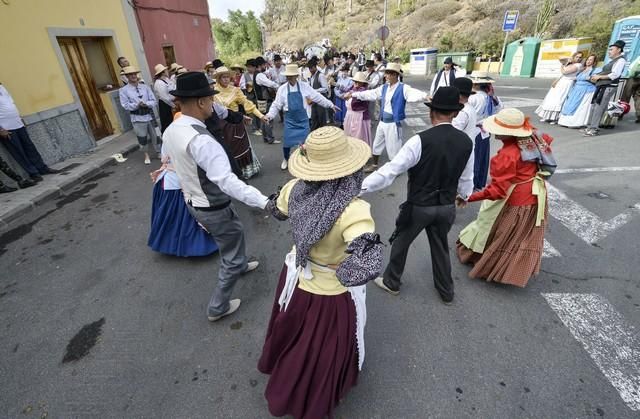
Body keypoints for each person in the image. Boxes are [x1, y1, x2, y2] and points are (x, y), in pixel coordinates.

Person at [258, 126, 383, 419]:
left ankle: (286, 383)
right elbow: (368, 258)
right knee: (320, 351)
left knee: (295, 336)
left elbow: (276, 210)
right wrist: (347, 270)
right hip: (329, 292)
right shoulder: (354, 210)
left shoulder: (294, 189)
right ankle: (309, 398)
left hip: (298, 277)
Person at [162, 71, 268, 321]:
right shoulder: (202, 141)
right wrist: (265, 202)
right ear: (200, 102)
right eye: (210, 99)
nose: (213, 103)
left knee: (233, 231)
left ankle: (240, 264)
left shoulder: (172, 129)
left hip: (194, 200)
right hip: (211, 204)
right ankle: (217, 306)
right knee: (229, 248)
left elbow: (172, 161)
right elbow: (227, 181)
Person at [361, 87, 474, 304]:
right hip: (446, 206)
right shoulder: (466, 142)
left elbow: (390, 171)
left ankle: (392, 281)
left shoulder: (420, 140)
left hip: (420, 205)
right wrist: (464, 195)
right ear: (456, 113)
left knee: (401, 241)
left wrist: (360, 188)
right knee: (440, 247)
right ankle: (446, 291)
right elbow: (467, 177)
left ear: (431, 112)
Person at [457, 108, 550, 287]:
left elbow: (497, 191)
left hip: (516, 198)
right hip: (535, 193)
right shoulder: (532, 138)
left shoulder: (507, 155)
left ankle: (490, 267)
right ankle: (511, 269)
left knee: (499, 230)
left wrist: (469, 197)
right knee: (519, 236)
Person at [344, 63, 429, 172]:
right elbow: (371, 93)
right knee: (376, 144)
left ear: (394, 75)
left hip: (393, 123)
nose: (385, 76)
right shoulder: (384, 88)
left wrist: (425, 96)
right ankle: (374, 165)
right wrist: (354, 94)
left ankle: (397, 169)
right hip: (383, 121)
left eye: (388, 74)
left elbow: (414, 93)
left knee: (394, 148)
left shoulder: (403, 88)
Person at [265, 64, 337, 170]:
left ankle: (304, 160)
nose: (289, 77)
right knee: (287, 143)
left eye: (291, 75)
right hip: (290, 120)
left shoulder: (304, 86)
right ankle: (286, 158)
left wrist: (330, 105)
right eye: (287, 76)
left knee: (304, 143)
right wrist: (269, 115)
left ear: (296, 76)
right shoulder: (282, 89)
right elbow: (276, 105)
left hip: (303, 120)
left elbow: (317, 97)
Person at [147, 155, 219, 257]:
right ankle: (192, 246)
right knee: (188, 212)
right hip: (178, 180)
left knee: (173, 216)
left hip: (176, 178)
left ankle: (172, 244)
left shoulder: (169, 140)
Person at [213, 67, 269, 179]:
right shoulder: (213, 91)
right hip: (221, 126)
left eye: (228, 77)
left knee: (240, 147)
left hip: (235, 124)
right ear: (218, 78)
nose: (226, 79)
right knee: (225, 149)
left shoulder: (235, 90)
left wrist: (261, 115)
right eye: (223, 77)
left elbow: (247, 103)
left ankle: (244, 171)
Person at [0, 83, 59, 181]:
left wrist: (19, 117)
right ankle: (33, 173)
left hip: (17, 123)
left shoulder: (2, 87)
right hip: (6, 128)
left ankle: (42, 168)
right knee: (19, 152)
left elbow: (11, 103)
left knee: (30, 147)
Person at [584, 40, 627, 136]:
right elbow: (606, 72)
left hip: (608, 87)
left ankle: (594, 129)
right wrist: (595, 76)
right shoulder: (613, 60)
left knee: (599, 107)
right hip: (602, 85)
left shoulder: (621, 60)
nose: (609, 51)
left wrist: (599, 77)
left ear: (619, 50)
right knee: (595, 105)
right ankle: (589, 127)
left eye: (611, 49)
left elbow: (615, 74)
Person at [119, 66, 160, 165]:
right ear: (127, 77)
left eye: (134, 74)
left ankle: (159, 152)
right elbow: (125, 105)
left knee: (155, 135)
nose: (133, 76)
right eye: (130, 75)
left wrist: (147, 104)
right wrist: (136, 105)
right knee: (142, 137)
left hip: (149, 115)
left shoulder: (145, 87)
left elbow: (153, 100)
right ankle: (146, 155)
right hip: (137, 118)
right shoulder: (124, 90)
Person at [468, 73, 503, 191]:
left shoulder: (472, 98)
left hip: (474, 130)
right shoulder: (492, 97)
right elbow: (499, 109)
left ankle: (471, 183)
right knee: (482, 156)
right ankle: (479, 182)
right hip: (486, 130)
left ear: (476, 84)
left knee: (473, 158)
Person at [535, 51, 584, 124]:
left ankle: (555, 118)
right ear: (573, 57)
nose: (578, 58)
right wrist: (556, 80)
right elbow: (560, 59)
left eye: (580, 57)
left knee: (560, 99)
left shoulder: (578, 65)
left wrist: (562, 65)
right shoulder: (570, 63)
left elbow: (565, 72)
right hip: (561, 82)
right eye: (577, 57)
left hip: (567, 83)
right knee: (551, 98)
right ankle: (547, 116)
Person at [558, 54, 598, 128]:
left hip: (586, 90)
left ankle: (575, 123)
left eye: (591, 60)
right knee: (570, 104)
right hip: (576, 89)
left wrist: (588, 78)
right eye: (588, 59)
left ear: (594, 62)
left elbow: (595, 79)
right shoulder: (582, 69)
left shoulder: (595, 70)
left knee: (580, 107)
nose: (588, 61)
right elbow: (573, 77)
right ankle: (565, 121)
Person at [451, 78, 477, 179]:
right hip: (468, 147)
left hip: (459, 151)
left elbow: (453, 133)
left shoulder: (462, 112)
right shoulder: (469, 108)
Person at [254, 56, 280, 144]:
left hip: (261, 100)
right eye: (264, 65)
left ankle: (266, 138)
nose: (265, 66)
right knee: (269, 118)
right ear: (260, 65)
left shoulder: (256, 74)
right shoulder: (260, 75)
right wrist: (278, 86)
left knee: (264, 119)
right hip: (265, 100)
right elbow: (270, 83)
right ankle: (270, 138)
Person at [344, 72, 371, 146]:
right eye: (355, 81)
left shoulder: (364, 91)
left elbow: (357, 97)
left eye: (358, 82)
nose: (356, 83)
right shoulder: (352, 88)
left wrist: (350, 94)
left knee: (359, 135)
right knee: (349, 133)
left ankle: (360, 152)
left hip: (358, 116)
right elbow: (344, 93)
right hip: (350, 115)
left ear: (362, 83)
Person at [306, 57, 330, 130]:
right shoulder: (311, 76)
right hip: (314, 102)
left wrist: (315, 91)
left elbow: (325, 89)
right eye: (309, 68)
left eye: (312, 68)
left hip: (321, 101)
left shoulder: (320, 75)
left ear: (315, 67)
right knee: (314, 120)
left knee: (322, 120)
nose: (310, 70)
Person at [153, 64, 175, 134]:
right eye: (165, 70)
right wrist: (173, 105)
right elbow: (164, 97)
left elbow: (173, 87)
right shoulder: (159, 83)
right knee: (167, 121)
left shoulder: (166, 80)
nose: (167, 71)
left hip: (171, 102)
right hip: (165, 104)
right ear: (162, 72)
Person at [620, 54, 640, 123]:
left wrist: (632, 75)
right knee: (638, 97)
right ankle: (639, 116)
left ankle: (620, 114)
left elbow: (634, 69)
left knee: (625, 96)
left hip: (634, 78)